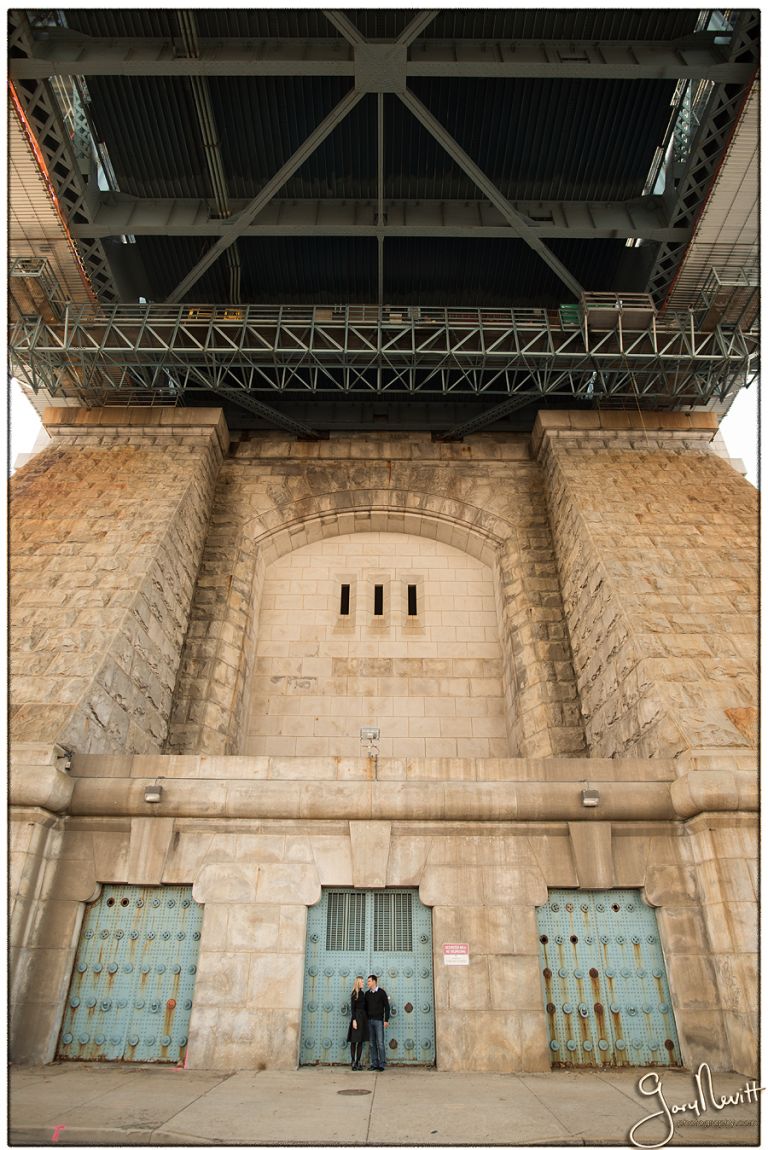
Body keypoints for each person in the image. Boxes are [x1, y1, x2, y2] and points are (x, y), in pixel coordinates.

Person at [364, 974, 390, 1071]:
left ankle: (382, 1064)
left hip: (379, 1021)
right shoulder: (367, 994)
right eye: (367, 982)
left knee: (380, 1043)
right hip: (369, 1021)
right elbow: (365, 1009)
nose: (368, 983)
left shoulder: (382, 993)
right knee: (371, 1043)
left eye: (369, 981)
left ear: (374, 981)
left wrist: (386, 1020)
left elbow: (387, 1007)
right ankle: (374, 1064)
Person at [345, 976, 368, 1070]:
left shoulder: (363, 993)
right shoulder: (354, 993)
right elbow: (352, 1008)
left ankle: (358, 1062)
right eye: (362, 982)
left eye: (363, 982)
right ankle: (353, 1062)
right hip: (357, 1018)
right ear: (358, 982)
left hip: (363, 1018)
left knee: (361, 1041)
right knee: (354, 1041)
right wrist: (354, 1020)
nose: (363, 983)